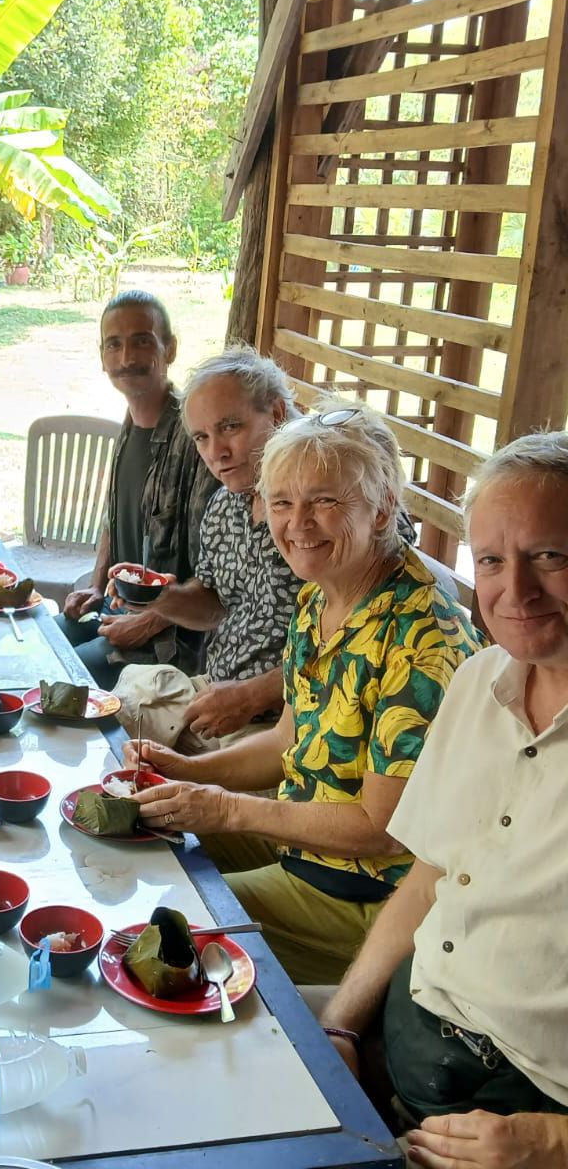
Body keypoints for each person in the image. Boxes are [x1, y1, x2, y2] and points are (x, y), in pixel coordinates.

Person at [125, 403, 482, 984]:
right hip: (300, 847)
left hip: (364, 893)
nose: (298, 524)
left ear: (382, 507)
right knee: (137, 834)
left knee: (164, 926)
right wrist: (185, 769)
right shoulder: (320, 596)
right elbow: (287, 741)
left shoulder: (422, 637)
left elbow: (379, 827)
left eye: (324, 501)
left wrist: (226, 808)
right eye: (282, 503)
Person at [318, 432, 568, 1168]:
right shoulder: (478, 682)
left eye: (550, 555)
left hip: (520, 1120)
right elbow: (429, 878)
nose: (515, 590)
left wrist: (550, 1144)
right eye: (490, 561)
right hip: (400, 1047)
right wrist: (339, 1026)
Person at [112, 347, 302, 750]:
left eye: (230, 427)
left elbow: (350, 646)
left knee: (142, 774)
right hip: (213, 696)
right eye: (201, 437)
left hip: (282, 724)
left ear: (277, 413)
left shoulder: (320, 511)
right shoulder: (226, 504)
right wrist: (160, 597)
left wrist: (253, 696)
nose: (216, 453)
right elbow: (216, 603)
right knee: (105, 722)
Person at [55, 291, 219, 690]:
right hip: (117, 608)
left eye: (142, 341)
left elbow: (215, 579)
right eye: (114, 344)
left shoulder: (196, 439)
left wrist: (148, 621)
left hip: (171, 639)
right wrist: (96, 585)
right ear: (102, 356)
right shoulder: (130, 424)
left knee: (63, 679)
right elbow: (113, 517)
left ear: (170, 349)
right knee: (38, 639)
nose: (127, 357)